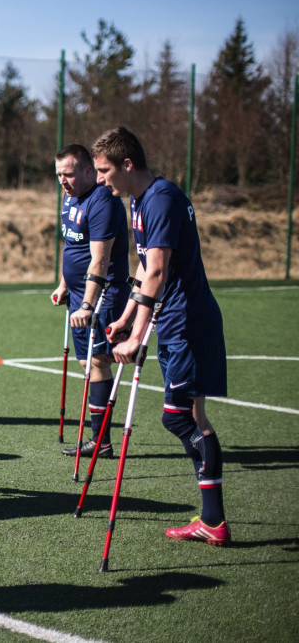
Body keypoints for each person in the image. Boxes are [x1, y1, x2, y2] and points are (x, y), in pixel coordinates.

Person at [95, 126, 231, 546]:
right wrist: (128, 316)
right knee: (189, 417)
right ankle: (212, 520)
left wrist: (137, 337)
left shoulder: (162, 199)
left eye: (104, 170)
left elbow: (159, 270)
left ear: (127, 164)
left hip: (187, 321)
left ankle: (214, 517)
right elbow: (143, 272)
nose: (101, 179)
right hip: (172, 320)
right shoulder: (140, 201)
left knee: (182, 417)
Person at [50, 144, 130, 459]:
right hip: (78, 293)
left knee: (98, 361)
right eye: (58, 175)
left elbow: (100, 259)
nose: (63, 181)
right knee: (88, 363)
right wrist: (64, 283)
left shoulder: (103, 201)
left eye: (68, 174)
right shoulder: (70, 198)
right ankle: (101, 439)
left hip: (103, 293)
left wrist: (87, 304)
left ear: (87, 170)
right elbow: (69, 246)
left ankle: (100, 442)